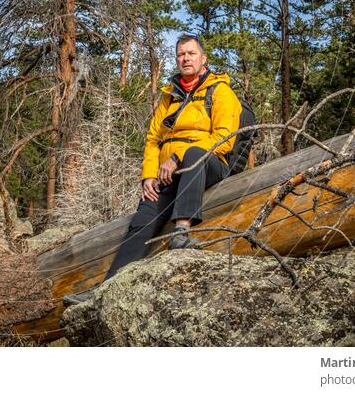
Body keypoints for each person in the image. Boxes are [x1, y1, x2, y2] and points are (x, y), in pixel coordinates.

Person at [63, 33, 242, 306]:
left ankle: (181, 232)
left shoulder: (220, 91)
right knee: (142, 217)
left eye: (191, 53)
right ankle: (103, 291)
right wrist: (149, 174)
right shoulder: (170, 96)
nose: (185, 58)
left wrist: (179, 157)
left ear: (203, 58)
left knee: (194, 152)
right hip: (170, 174)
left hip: (209, 164)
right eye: (181, 54)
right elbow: (153, 139)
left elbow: (224, 138)